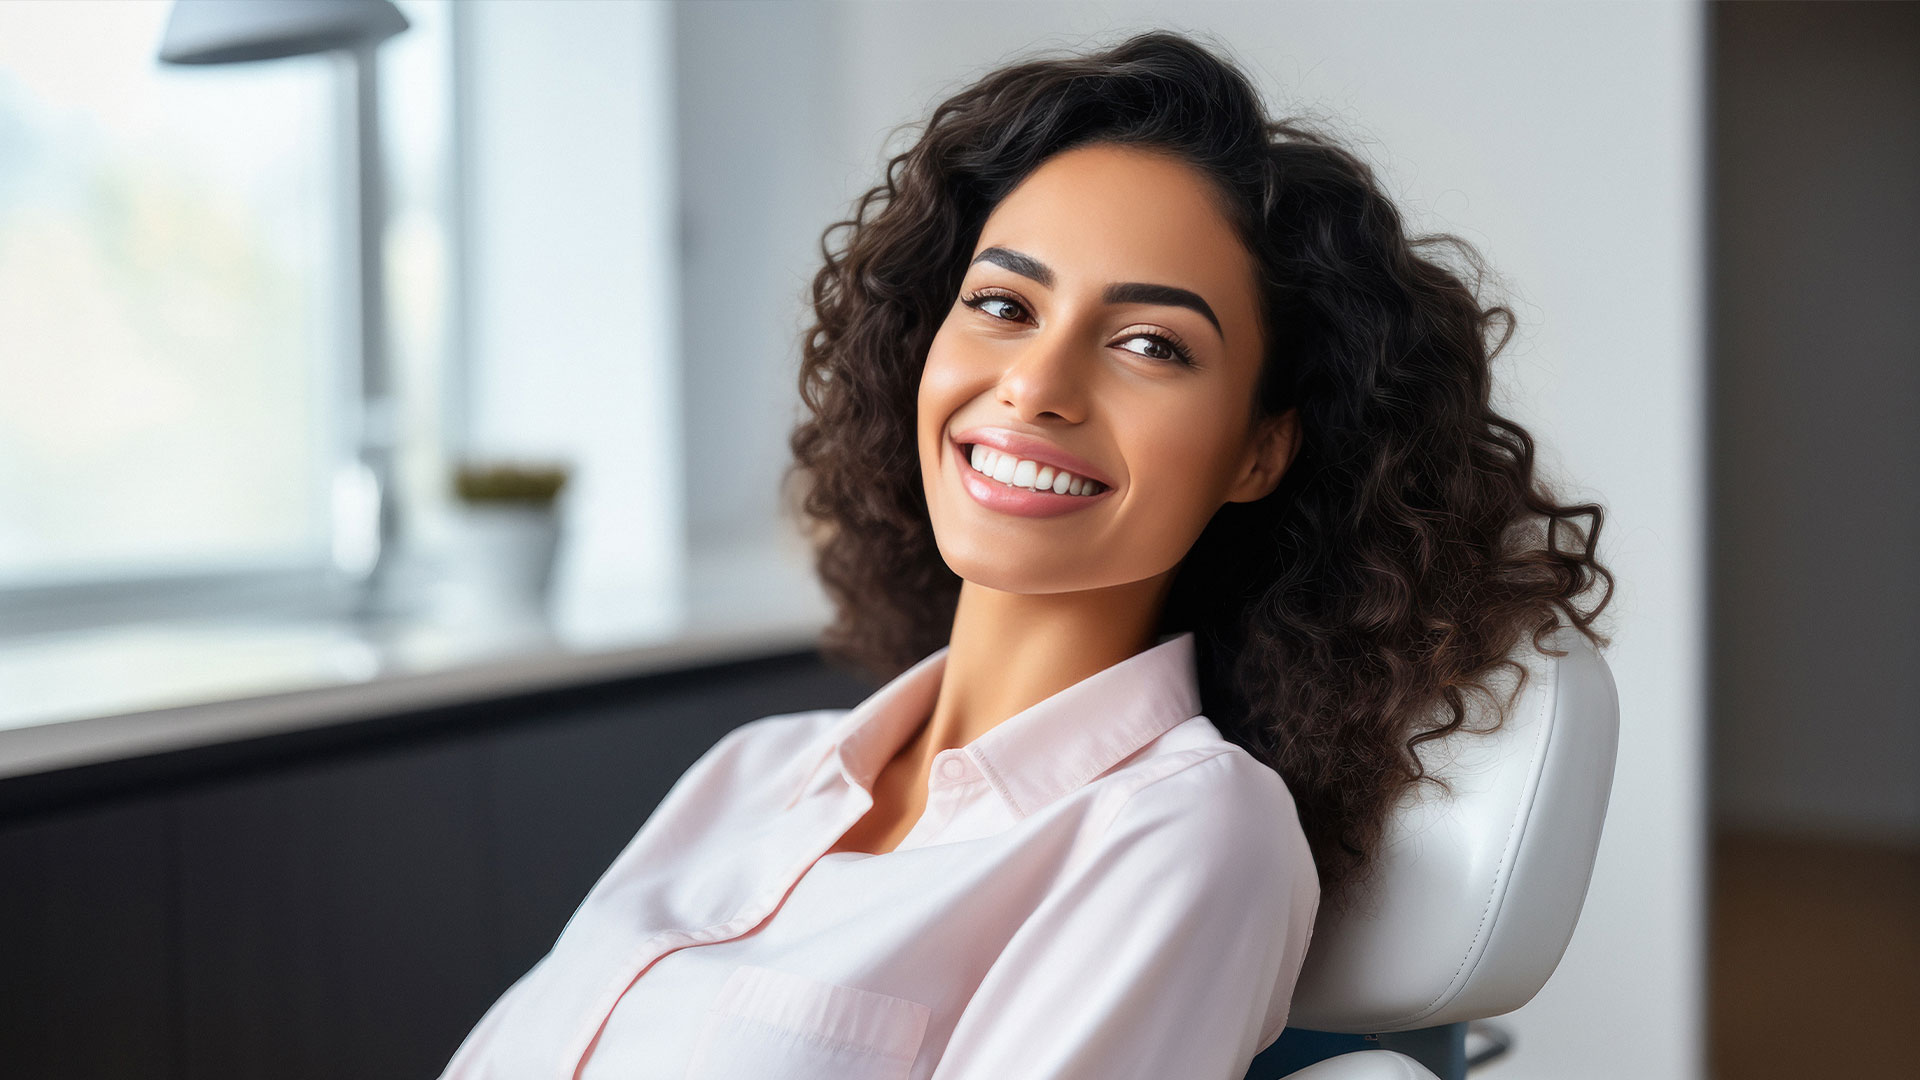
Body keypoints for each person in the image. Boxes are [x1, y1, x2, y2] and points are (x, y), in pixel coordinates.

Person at [437, 27, 1614, 1080]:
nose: (1036, 388)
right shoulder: (752, 775)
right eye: (1004, 305)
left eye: (1151, 342)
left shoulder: (1185, 836)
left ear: (1260, 450)